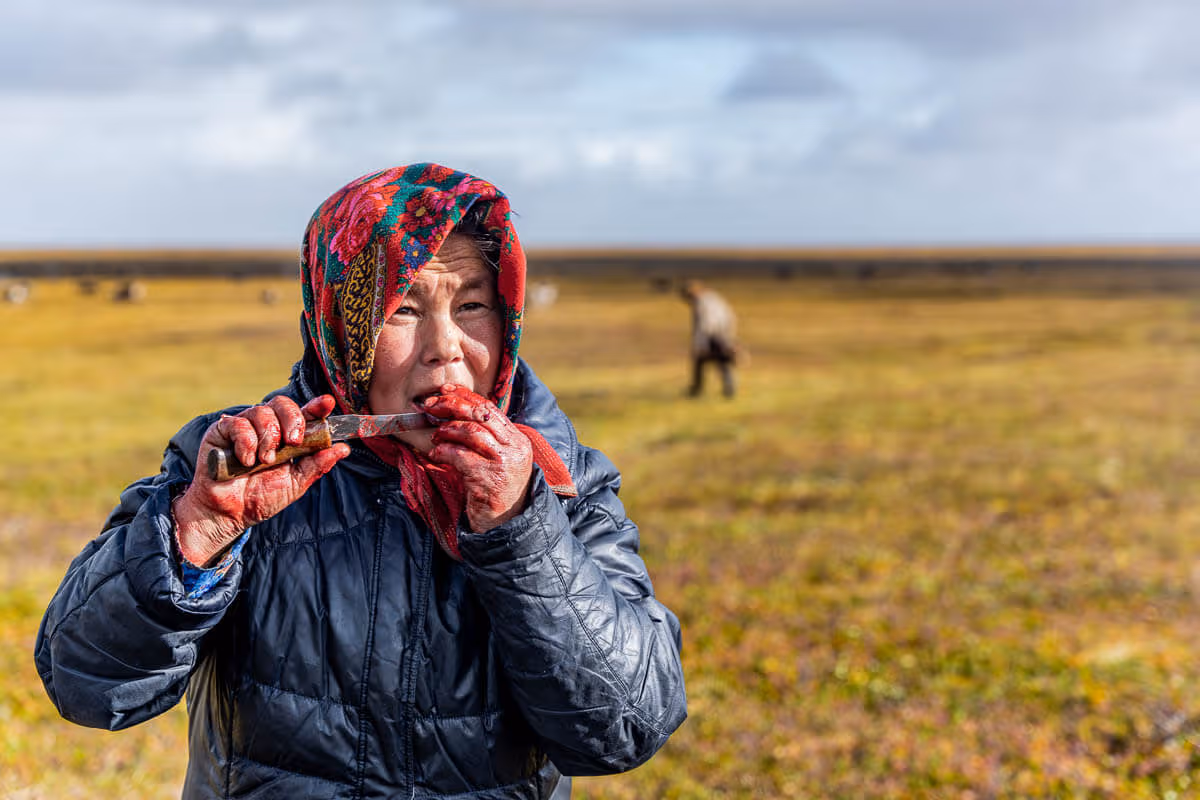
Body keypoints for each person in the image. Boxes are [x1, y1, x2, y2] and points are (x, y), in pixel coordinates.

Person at [35, 163, 687, 799]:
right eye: (404, 309)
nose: (447, 347)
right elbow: (86, 684)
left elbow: (624, 731)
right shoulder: (238, 463)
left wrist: (520, 530)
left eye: (473, 304)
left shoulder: (561, 482)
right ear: (339, 329)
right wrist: (199, 529)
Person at [679, 279, 740, 398]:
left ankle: (697, 390)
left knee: (700, 362)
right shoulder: (714, 298)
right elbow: (730, 316)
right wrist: (730, 336)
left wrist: (700, 344)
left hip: (712, 336)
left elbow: (705, 324)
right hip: (723, 334)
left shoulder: (701, 303)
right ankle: (729, 389)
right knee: (722, 362)